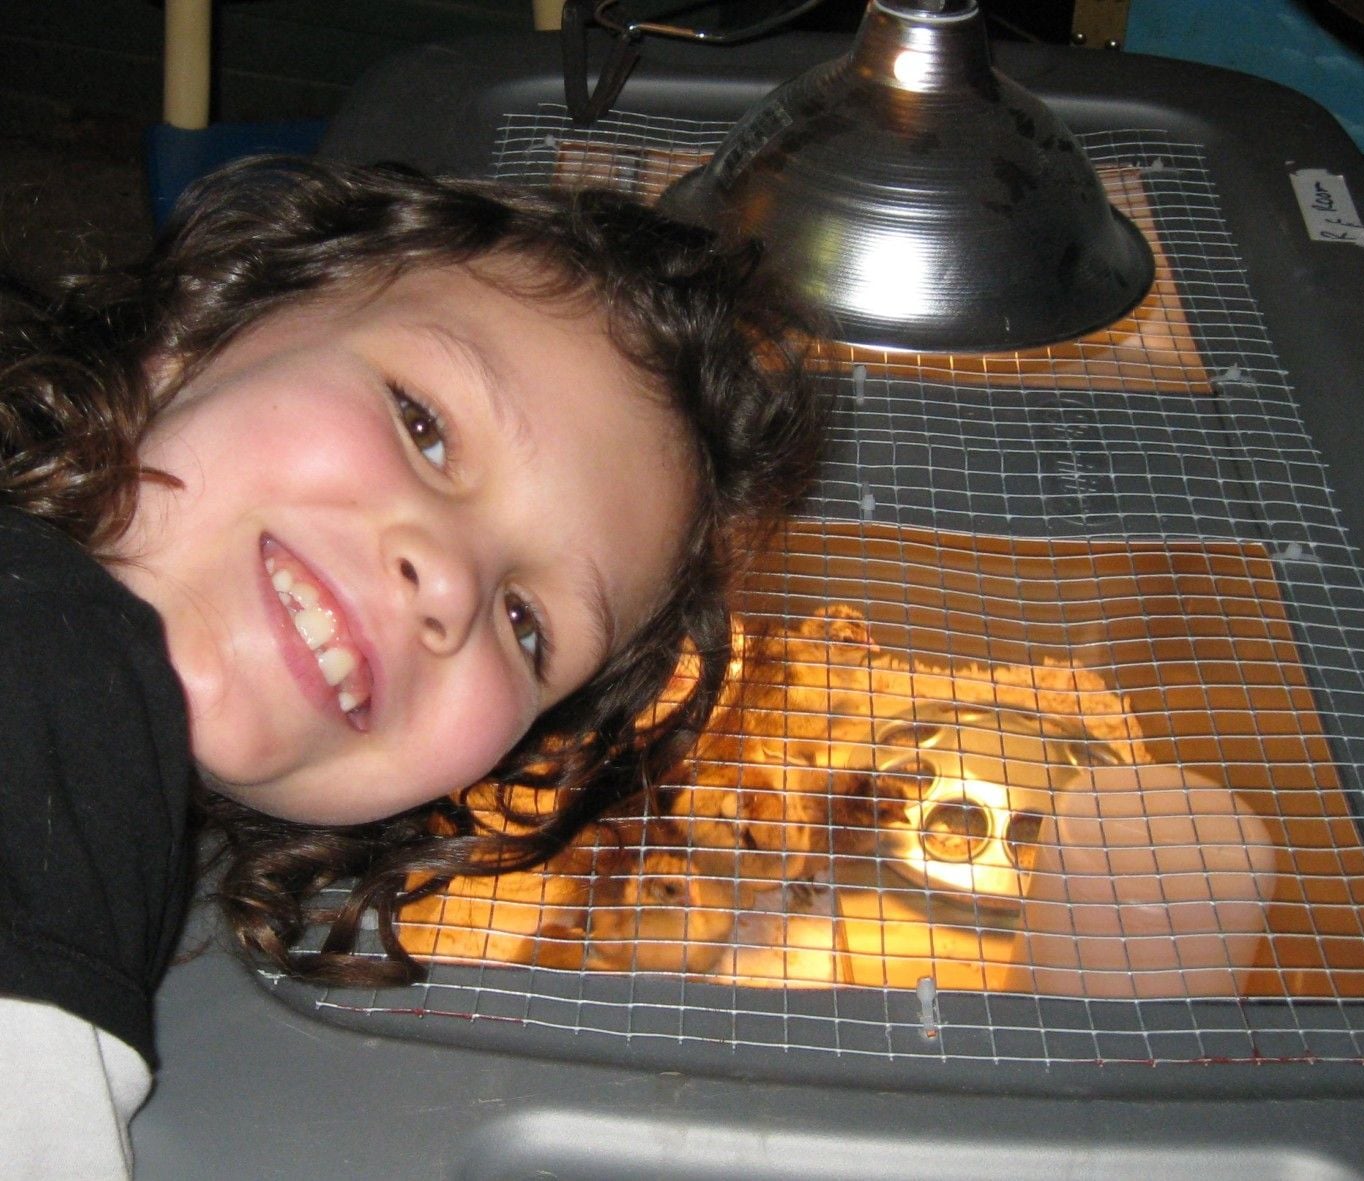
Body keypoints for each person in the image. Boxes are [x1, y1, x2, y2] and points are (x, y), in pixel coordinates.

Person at [0, 156, 827, 1176]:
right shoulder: (45, 670)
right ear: (203, 329)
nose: (448, 581)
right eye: (423, 426)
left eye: (526, 625)